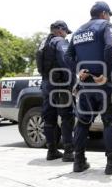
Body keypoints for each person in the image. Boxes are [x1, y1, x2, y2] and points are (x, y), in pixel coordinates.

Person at [64, 1, 112, 174]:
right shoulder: (106, 26)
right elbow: (110, 47)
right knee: (110, 121)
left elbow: (67, 56)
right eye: (108, 14)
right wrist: (106, 74)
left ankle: (78, 161)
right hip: (105, 85)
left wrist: (79, 71)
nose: (109, 17)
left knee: (83, 123)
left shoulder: (78, 31)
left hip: (86, 85)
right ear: (103, 14)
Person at [36, 20, 75, 162]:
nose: (66, 36)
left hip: (46, 83)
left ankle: (51, 151)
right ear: (60, 30)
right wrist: (72, 82)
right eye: (65, 32)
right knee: (67, 116)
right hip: (59, 84)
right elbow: (65, 61)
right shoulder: (59, 41)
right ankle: (69, 152)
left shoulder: (44, 42)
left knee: (49, 117)